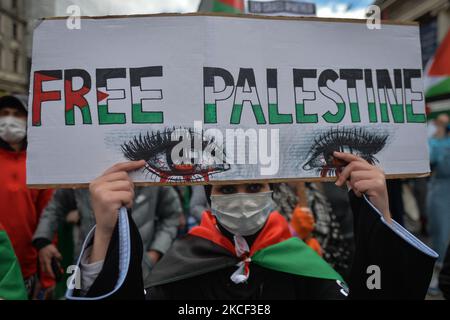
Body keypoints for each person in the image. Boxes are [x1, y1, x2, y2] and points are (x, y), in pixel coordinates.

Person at [67, 152, 437, 300]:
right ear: (210, 197)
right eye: (227, 188)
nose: (241, 197)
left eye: (254, 187)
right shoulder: (182, 262)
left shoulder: (301, 264)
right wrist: (105, 231)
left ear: (272, 193)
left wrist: (381, 215)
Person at [32, 186, 182, 288]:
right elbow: (56, 206)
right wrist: (43, 240)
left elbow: (172, 215)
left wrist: (154, 253)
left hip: (141, 270)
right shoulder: (83, 171)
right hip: (87, 266)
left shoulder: (149, 175)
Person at [0, 94, 54, 299]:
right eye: (4, 113)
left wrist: (48, 277)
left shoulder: (39, 164)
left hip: (27, 268)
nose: (9, 120)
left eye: (16, 114)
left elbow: (47, 218)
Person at [426, 115, 450, 295]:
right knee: (440, 232)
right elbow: (431, 160)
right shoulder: (436, 141)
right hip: (441, 190)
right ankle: (436, 273)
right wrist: (439, 136)